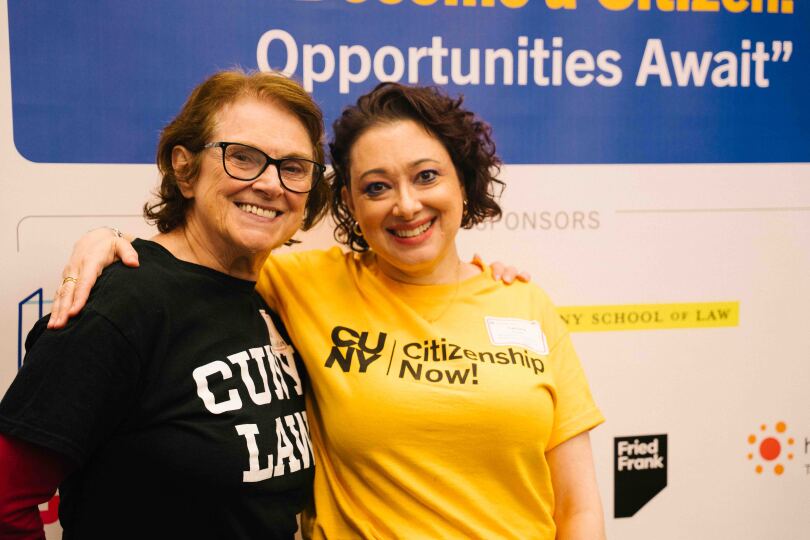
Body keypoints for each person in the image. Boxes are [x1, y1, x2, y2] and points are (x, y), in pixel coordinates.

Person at [46, 83, 605, 539]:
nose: (406, 204)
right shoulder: (303, 282)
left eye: (427, 175)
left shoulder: (526, 304)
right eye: (376, 187)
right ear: (353, 208)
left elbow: (578, 508)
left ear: (464, 180)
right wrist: (110, 240)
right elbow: (195, 256)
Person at [0, 69, 328, 539]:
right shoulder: (124, 302)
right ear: (185, 169)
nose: (271, 184)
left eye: (293, 167)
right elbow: (6, 500)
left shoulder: (267, 296)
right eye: (243, 157)